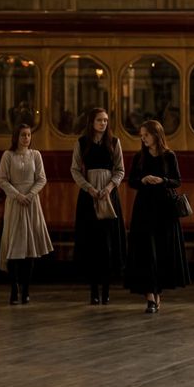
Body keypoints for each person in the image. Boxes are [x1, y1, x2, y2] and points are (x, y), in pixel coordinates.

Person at [125, 120, 188, 313]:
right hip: (144, 207)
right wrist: (143, 179)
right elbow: (131, 182)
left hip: (164, 208)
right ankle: (150, 298)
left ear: (156, 135)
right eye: (141, 135)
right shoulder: (139, 157)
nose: (143, 138)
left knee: (161, 250)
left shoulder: (169, 156)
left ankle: (157, 293)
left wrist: (163, 180)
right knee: (146, 251)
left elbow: (177, 180)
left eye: (146, 135)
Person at [71, 107, 124, 304]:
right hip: (89, 196)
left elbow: (120, 169)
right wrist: (89, 188)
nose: (103, 123)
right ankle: (93, 290)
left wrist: (109, 187)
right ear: (91, 122)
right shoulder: (82, 143)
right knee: (92, 243)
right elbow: (75, 169)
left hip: (109, 196)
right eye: (100, 120)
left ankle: (106, 289)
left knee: (107, 243)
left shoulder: (114, 142)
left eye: (106, 120)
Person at [0, 124, 53, 304]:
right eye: (23, 135)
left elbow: (42, 178)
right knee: (15, 246)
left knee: (30, 248)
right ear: (16, 137)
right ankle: (14, 288)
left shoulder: (35, 155)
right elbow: (2, 180)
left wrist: (30, 194)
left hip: (31, 202)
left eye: (29, 135)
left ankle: (26, 290)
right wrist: (17, 195)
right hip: (15, 203)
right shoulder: (8, 156)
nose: (26, 138)